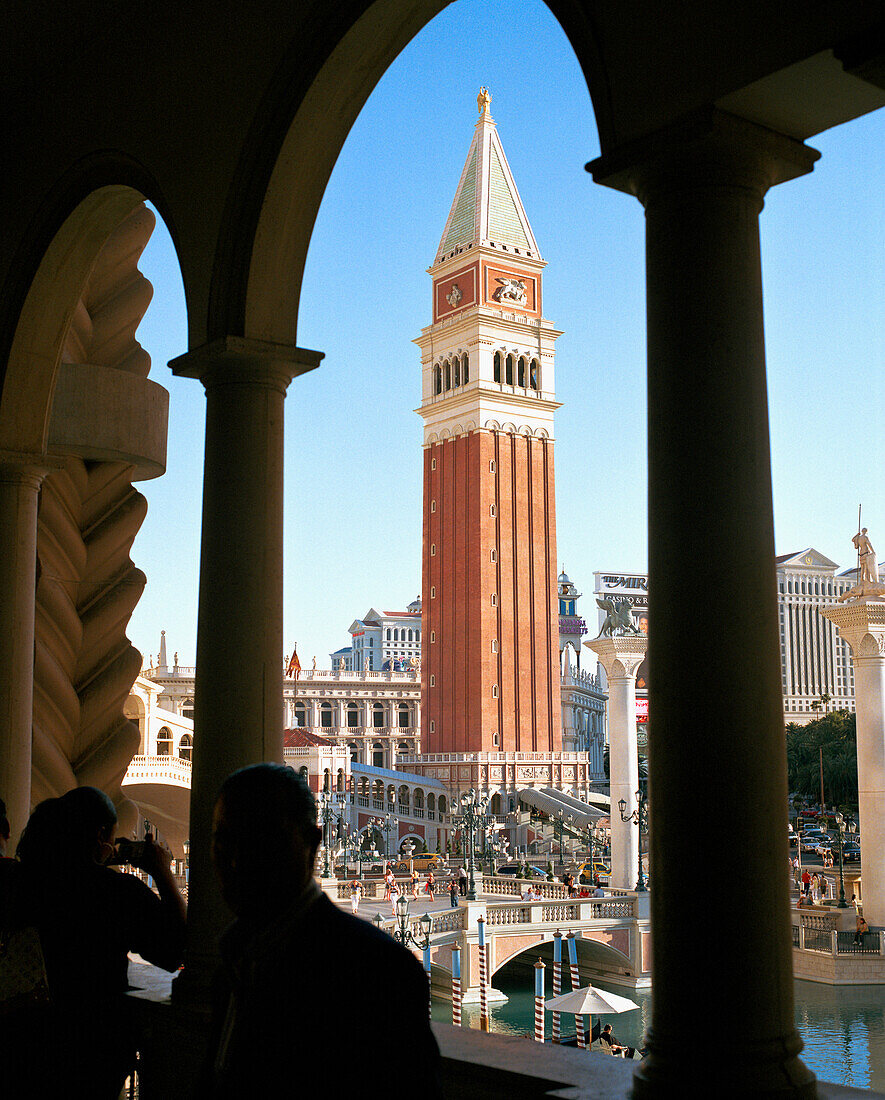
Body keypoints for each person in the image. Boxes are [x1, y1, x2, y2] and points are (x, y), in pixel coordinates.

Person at [201, 764, 439, 1098]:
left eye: (261, 840)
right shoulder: (231, 958)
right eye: (224, 840)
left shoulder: (380, 972)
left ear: (312, 844)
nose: (238, 861)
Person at [1, 787, 186, 1100]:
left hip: (18, 1046)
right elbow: (176, 948)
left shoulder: (16, 880)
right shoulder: (116, 893)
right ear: (100, 834)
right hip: (90, 1052)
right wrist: (161, 871)